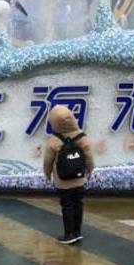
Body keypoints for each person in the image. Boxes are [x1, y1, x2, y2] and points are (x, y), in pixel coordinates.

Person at [43, 105, 95, 245]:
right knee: (78, 204)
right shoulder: (82, 137)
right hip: (79, 179)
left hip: (62, 181)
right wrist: (90, 170)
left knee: (67, 206)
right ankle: (77, 232)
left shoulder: (54, 141)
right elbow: (89, 157)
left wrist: (47, 174)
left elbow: (48, 161)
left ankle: (69, 234)